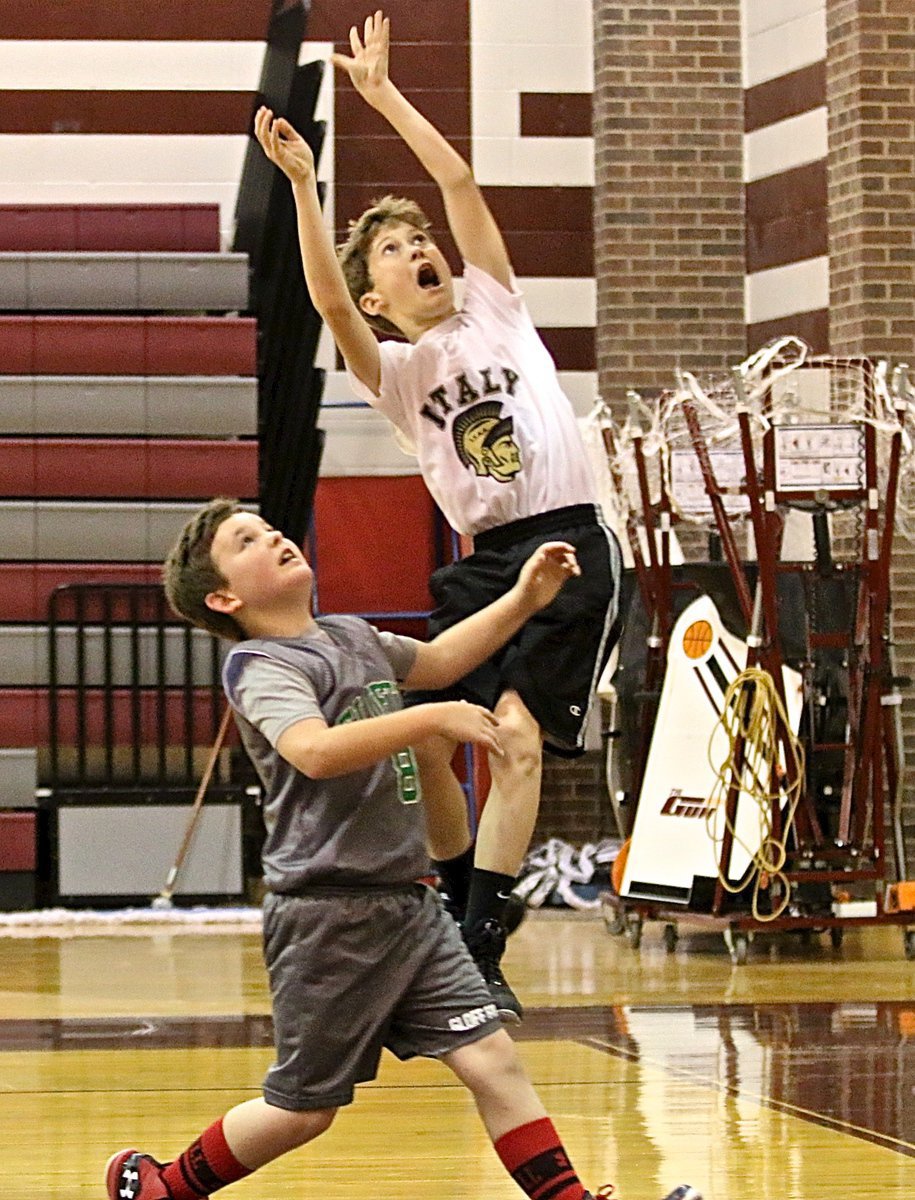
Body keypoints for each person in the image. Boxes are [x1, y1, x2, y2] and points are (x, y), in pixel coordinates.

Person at [104, 498, 698, 1200]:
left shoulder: (352, 638)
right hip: (328, 917)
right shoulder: (260, 666)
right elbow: (315, 752)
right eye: (248, 542)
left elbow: (444, 658)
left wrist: (524, 597)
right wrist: (429, 715)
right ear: (224, 596)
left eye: (272, 528)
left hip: (410, 907)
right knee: (303, 1110)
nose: (276, 538)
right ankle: (167, 1187)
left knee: (492, 1059)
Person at [253, 9, 623, 1023]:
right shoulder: (400, 367)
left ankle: (480, 938)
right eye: (397, 251)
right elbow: (326, 306)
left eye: (424, 244)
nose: (422, 251)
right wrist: (302, 186)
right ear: (379, 296)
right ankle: (462, 910)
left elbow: (459, 184)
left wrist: (383, 98)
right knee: (429, 734)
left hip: (565, 540)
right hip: (481, 561)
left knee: (514, 736)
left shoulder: (496, 308)